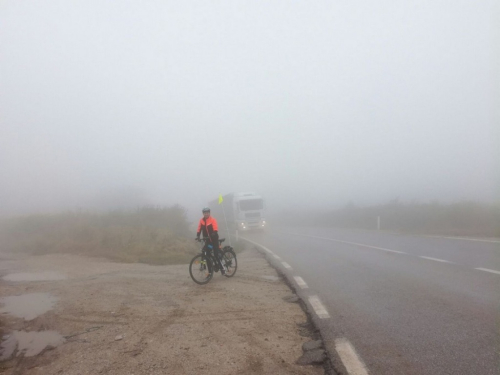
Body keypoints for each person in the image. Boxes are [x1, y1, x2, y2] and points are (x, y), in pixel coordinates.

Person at [196, 207, 225, 275]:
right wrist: (198, 236)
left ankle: (222, 268)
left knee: (216, 254)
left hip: (214, 240)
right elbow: (199, 228)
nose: (206, 214)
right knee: (207, 255)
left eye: (207, 213)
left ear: (209, 213)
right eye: (205, 213)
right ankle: (209, 272)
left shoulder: (212, 220)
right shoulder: (201, 220)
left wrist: (213, 233)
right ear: (203, 214)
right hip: (207, 240)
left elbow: (215, 228)